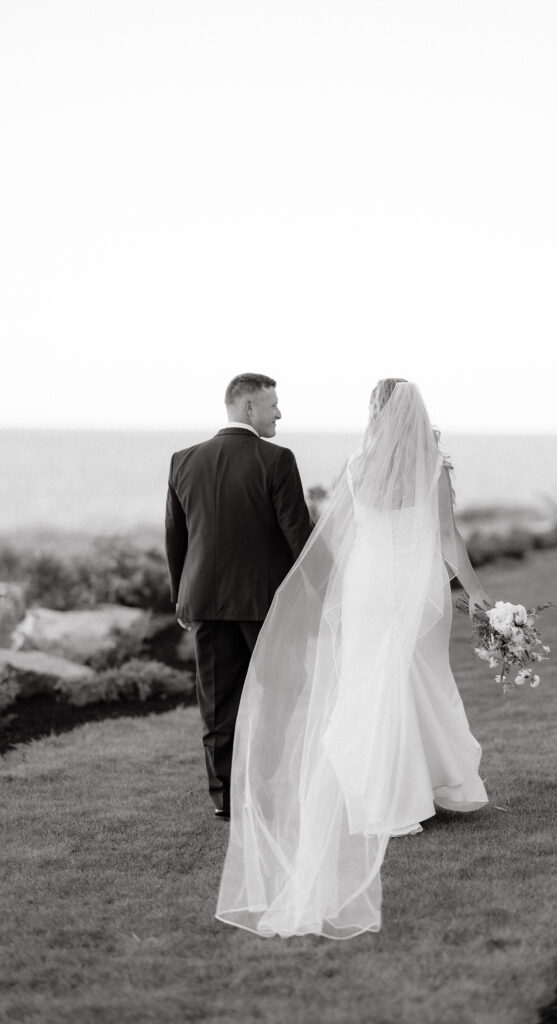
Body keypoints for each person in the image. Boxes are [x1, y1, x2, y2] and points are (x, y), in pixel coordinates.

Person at [215, 379, 491, 938]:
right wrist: (478, 591)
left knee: (372, 683)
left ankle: (389, 790)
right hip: (414, 587)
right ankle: (418, 791)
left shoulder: (356, 465)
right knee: (416, 680)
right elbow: (445, 536)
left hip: (367, 586)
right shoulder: (431, 464)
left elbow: (341, 539)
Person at [164, 373, 313, 819]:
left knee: (217, 704)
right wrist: (313, 597)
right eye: (273, 405)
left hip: (204, 603)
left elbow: (177, 539)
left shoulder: (183, 460)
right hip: (266, 607)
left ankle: (225, 800)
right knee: (279, 699)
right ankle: (266, 793)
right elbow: (299, 541)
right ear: (249, 408)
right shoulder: (278, 460)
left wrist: (181, 598)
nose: (279, 413)